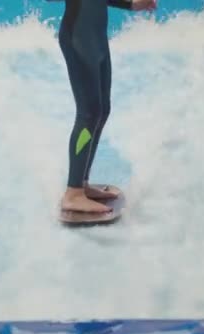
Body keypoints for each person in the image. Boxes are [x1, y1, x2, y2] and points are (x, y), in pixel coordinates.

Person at [58, 0, 157, 213]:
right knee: (88, 114)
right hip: (78, 38)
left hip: (96, 39)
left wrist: (132, 5)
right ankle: (73, 193)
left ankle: (82, 182)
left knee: (102, 110)